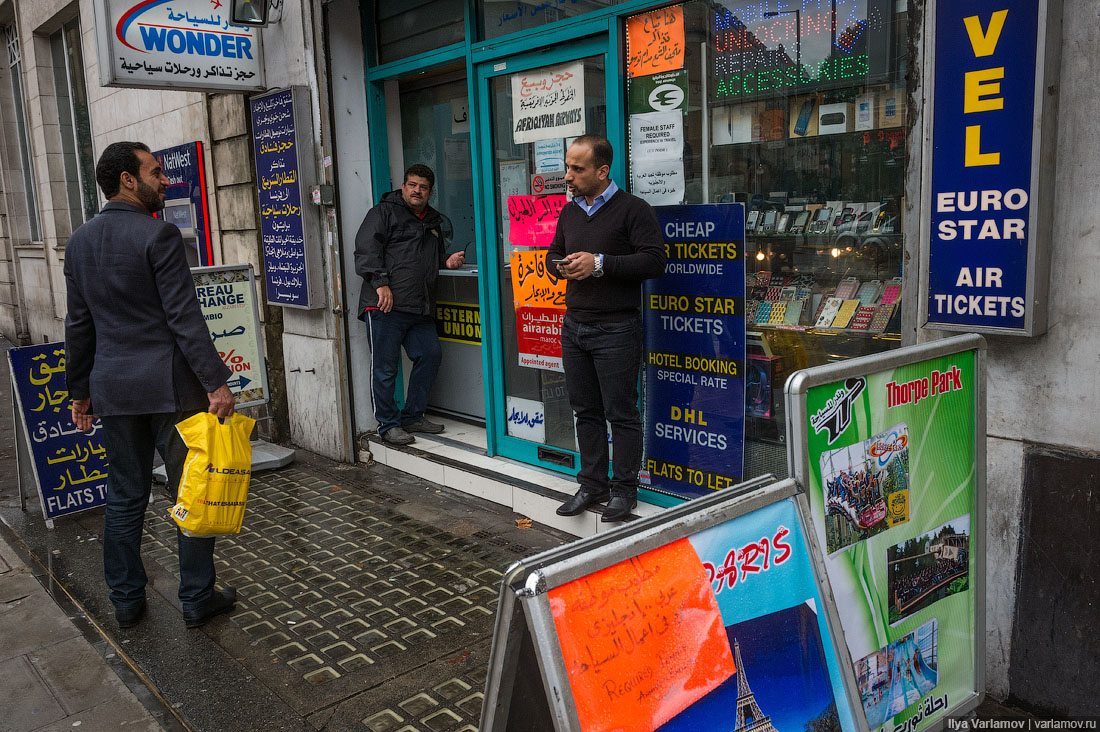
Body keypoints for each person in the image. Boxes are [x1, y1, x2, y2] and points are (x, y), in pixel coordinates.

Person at [64, 141, 237, 629]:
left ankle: (125, 601)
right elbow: (185, 318)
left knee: (124, 495)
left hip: (113, 389)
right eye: (156, 173)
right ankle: (196, 598)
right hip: (169, 389)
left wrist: (80, 393)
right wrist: (216, 382)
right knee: (192, 493)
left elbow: (78, 326)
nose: (165, 181)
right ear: (126, 179)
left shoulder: (78, 242)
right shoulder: (160, 236)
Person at [546, 135, 666, 522]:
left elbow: (653, 261)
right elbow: (552, 254)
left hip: (617, 328)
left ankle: (624, 490)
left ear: (602, 171)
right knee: (585, 411)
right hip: (575, 326)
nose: (568, 176)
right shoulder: (570, 211)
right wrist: (559, 266)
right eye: (567, 166)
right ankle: (592, 483)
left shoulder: (634, 210)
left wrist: (600, 264)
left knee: (621, 412)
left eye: (577, 169)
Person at [354, 164, 465, 446]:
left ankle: (413, 415)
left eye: (423, 187)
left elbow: (431, 260)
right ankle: (388, 425)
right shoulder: (383, 213)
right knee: (385, 368)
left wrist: (447, 262)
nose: (417, 191)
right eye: (412, 185)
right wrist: (381, 284)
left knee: (430, 355)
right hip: (384, 306)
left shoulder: (433, 222)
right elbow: (366, 250)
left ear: (431, 192)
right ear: (403, 187)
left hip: (419, 306)